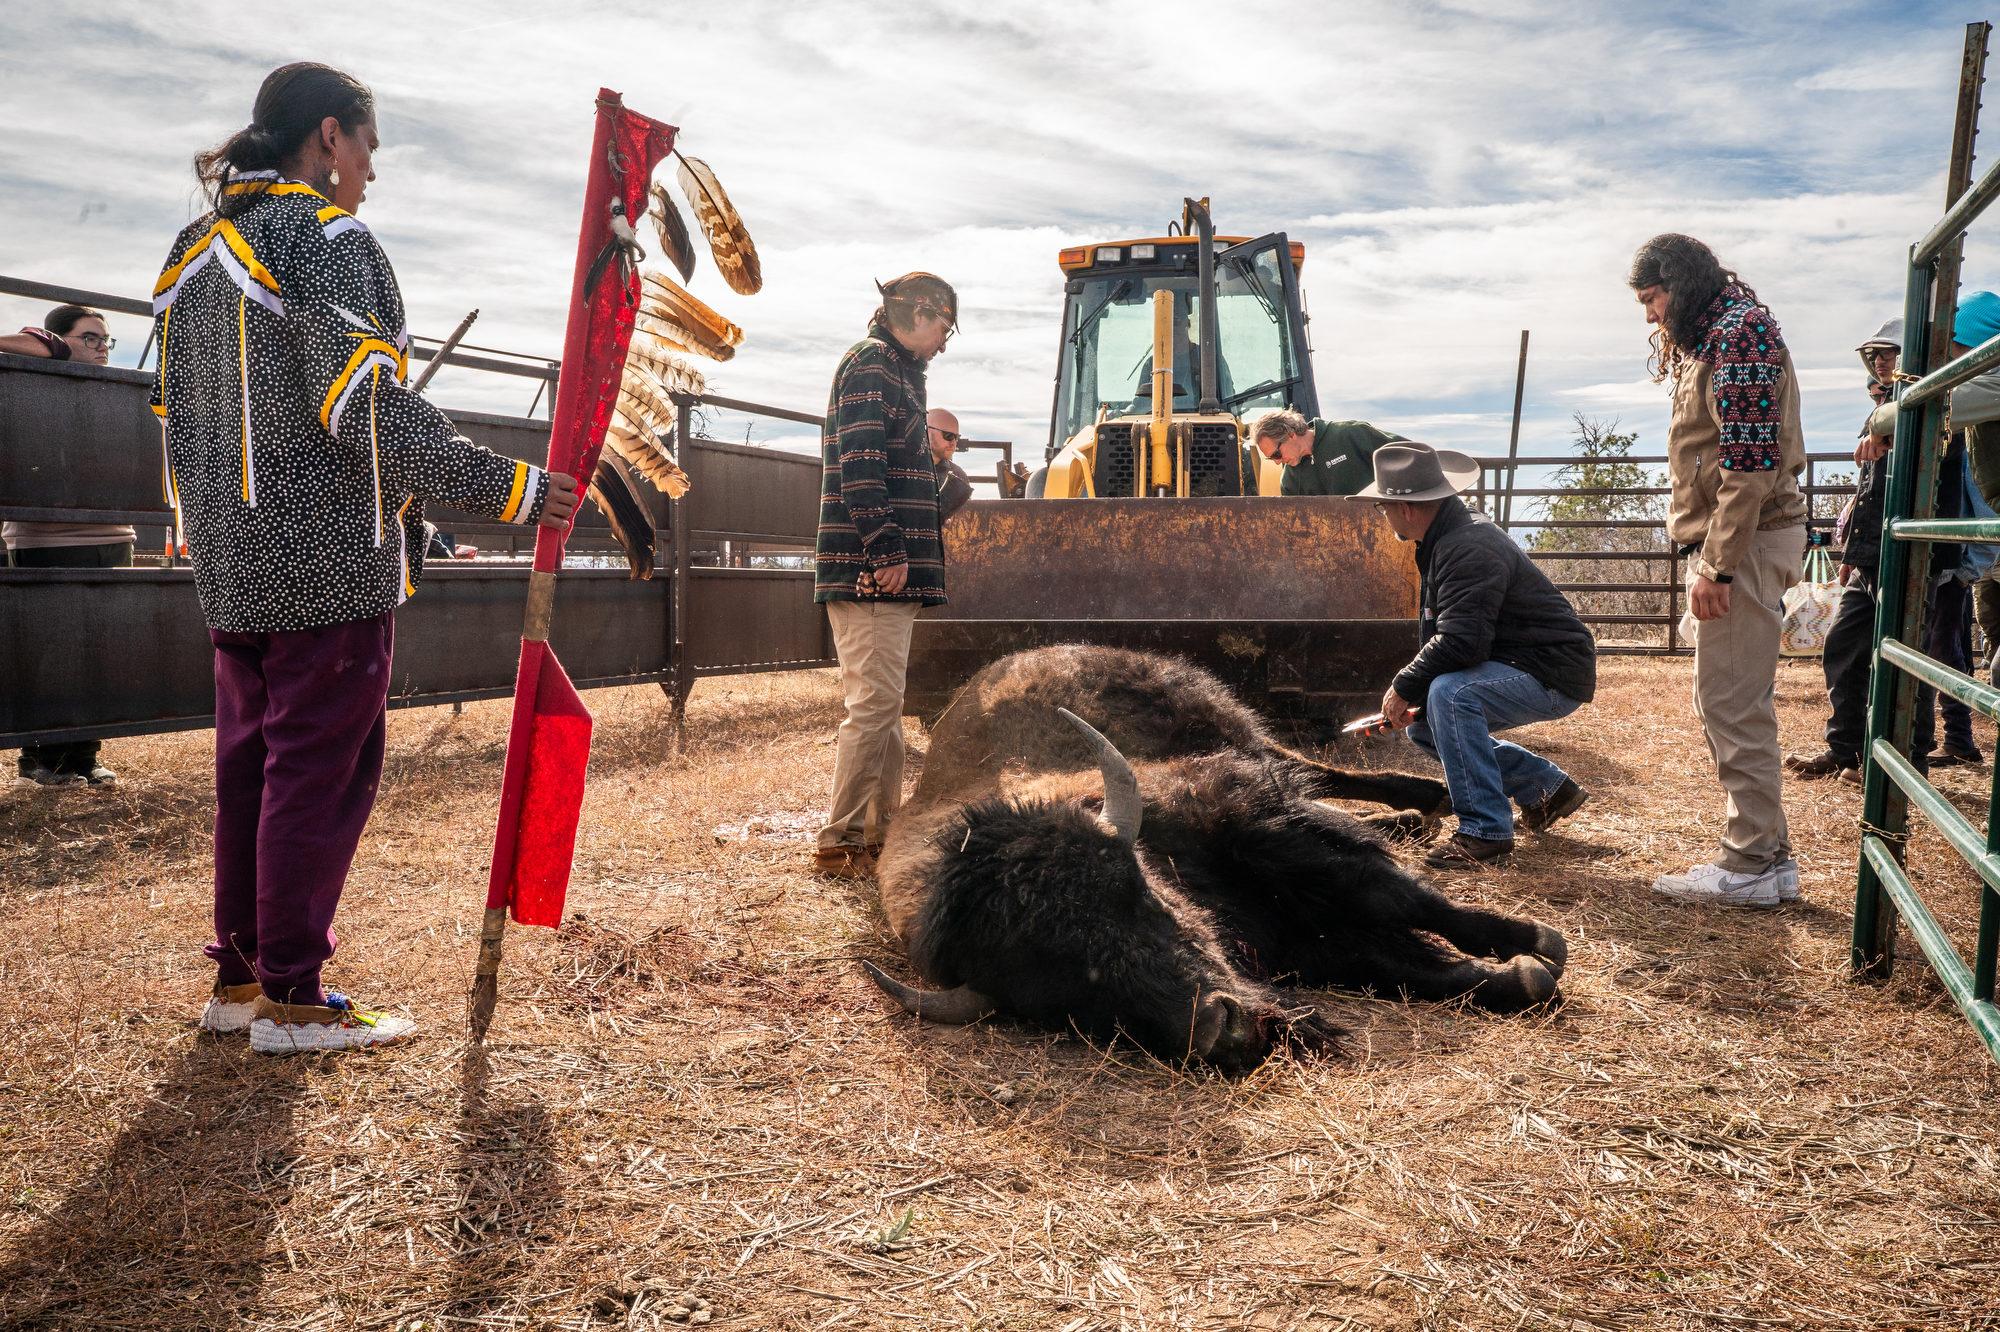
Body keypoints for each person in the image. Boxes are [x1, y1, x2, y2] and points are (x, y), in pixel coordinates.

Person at [161, 63, 581, 1052]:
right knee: (315, 772)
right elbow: (360, 408)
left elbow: (181, 415)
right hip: (323, 556)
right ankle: (297, 1000)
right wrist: (511, 486)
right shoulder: (325, 236)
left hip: (228, 552)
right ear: (329, 138)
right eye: (369, 151)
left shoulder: (193, 247)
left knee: (251, 768)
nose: (371, 177)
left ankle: (243, 981)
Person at [1630, 234, 1806, 908]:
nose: (1650, 314)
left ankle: (1748, 862)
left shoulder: (1739, 335)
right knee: (1730, 701)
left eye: (1653, 298)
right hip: (1740, 542)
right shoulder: (1718, 335)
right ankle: (1771, 859)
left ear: (1680, 282)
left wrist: (1718, 567)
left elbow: (1751, 466)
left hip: (1746, 543)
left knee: (1731, 704)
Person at [1353, 442, 1597, 870]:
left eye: (1382, 507)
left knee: (1450, 695)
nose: (1383, 515)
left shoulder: (1466, 546)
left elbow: (1463, 641)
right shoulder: (1449, 537)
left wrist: (1404, 685)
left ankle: (1485, 831)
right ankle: (1546, 788)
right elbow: (1460, 636)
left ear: (1407, 508)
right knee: (1425, 727)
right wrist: (1417, 696)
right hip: (1523, 663)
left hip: (1549, 671)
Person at [812, 272, 958, 878]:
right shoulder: (874, 365)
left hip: (883, 571)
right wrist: (888, 550)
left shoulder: (897, 373)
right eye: (944, 327)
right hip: (873, 571)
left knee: (885, 707)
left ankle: (880, 833)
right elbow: (861, 466)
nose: (945, 342)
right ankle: (841, 841)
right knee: (873, 707)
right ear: (918, 312)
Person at [3, 304, 135, 787]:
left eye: (106, 340)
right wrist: (53, 349)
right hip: (48, 540)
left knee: (100, 652)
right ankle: (39, 760)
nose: (101, 349)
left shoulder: (114, 396)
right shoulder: (28, 382)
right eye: (89, 338)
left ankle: (83, 756)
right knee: (51, 652)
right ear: (54, 339)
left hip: (112, 537)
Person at [1248, 408, 1407, 497]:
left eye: (1276, 454)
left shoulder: (1350, 434)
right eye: (1271, 459)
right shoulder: (1289, 481)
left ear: (1290, 433)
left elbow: (1409, 456)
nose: (1277, 462)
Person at [928, 407, 973, 521]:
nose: (953, 443)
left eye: (956, 437)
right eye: (948, 436)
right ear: (927, 431)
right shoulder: (903, 470)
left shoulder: (958, 475)